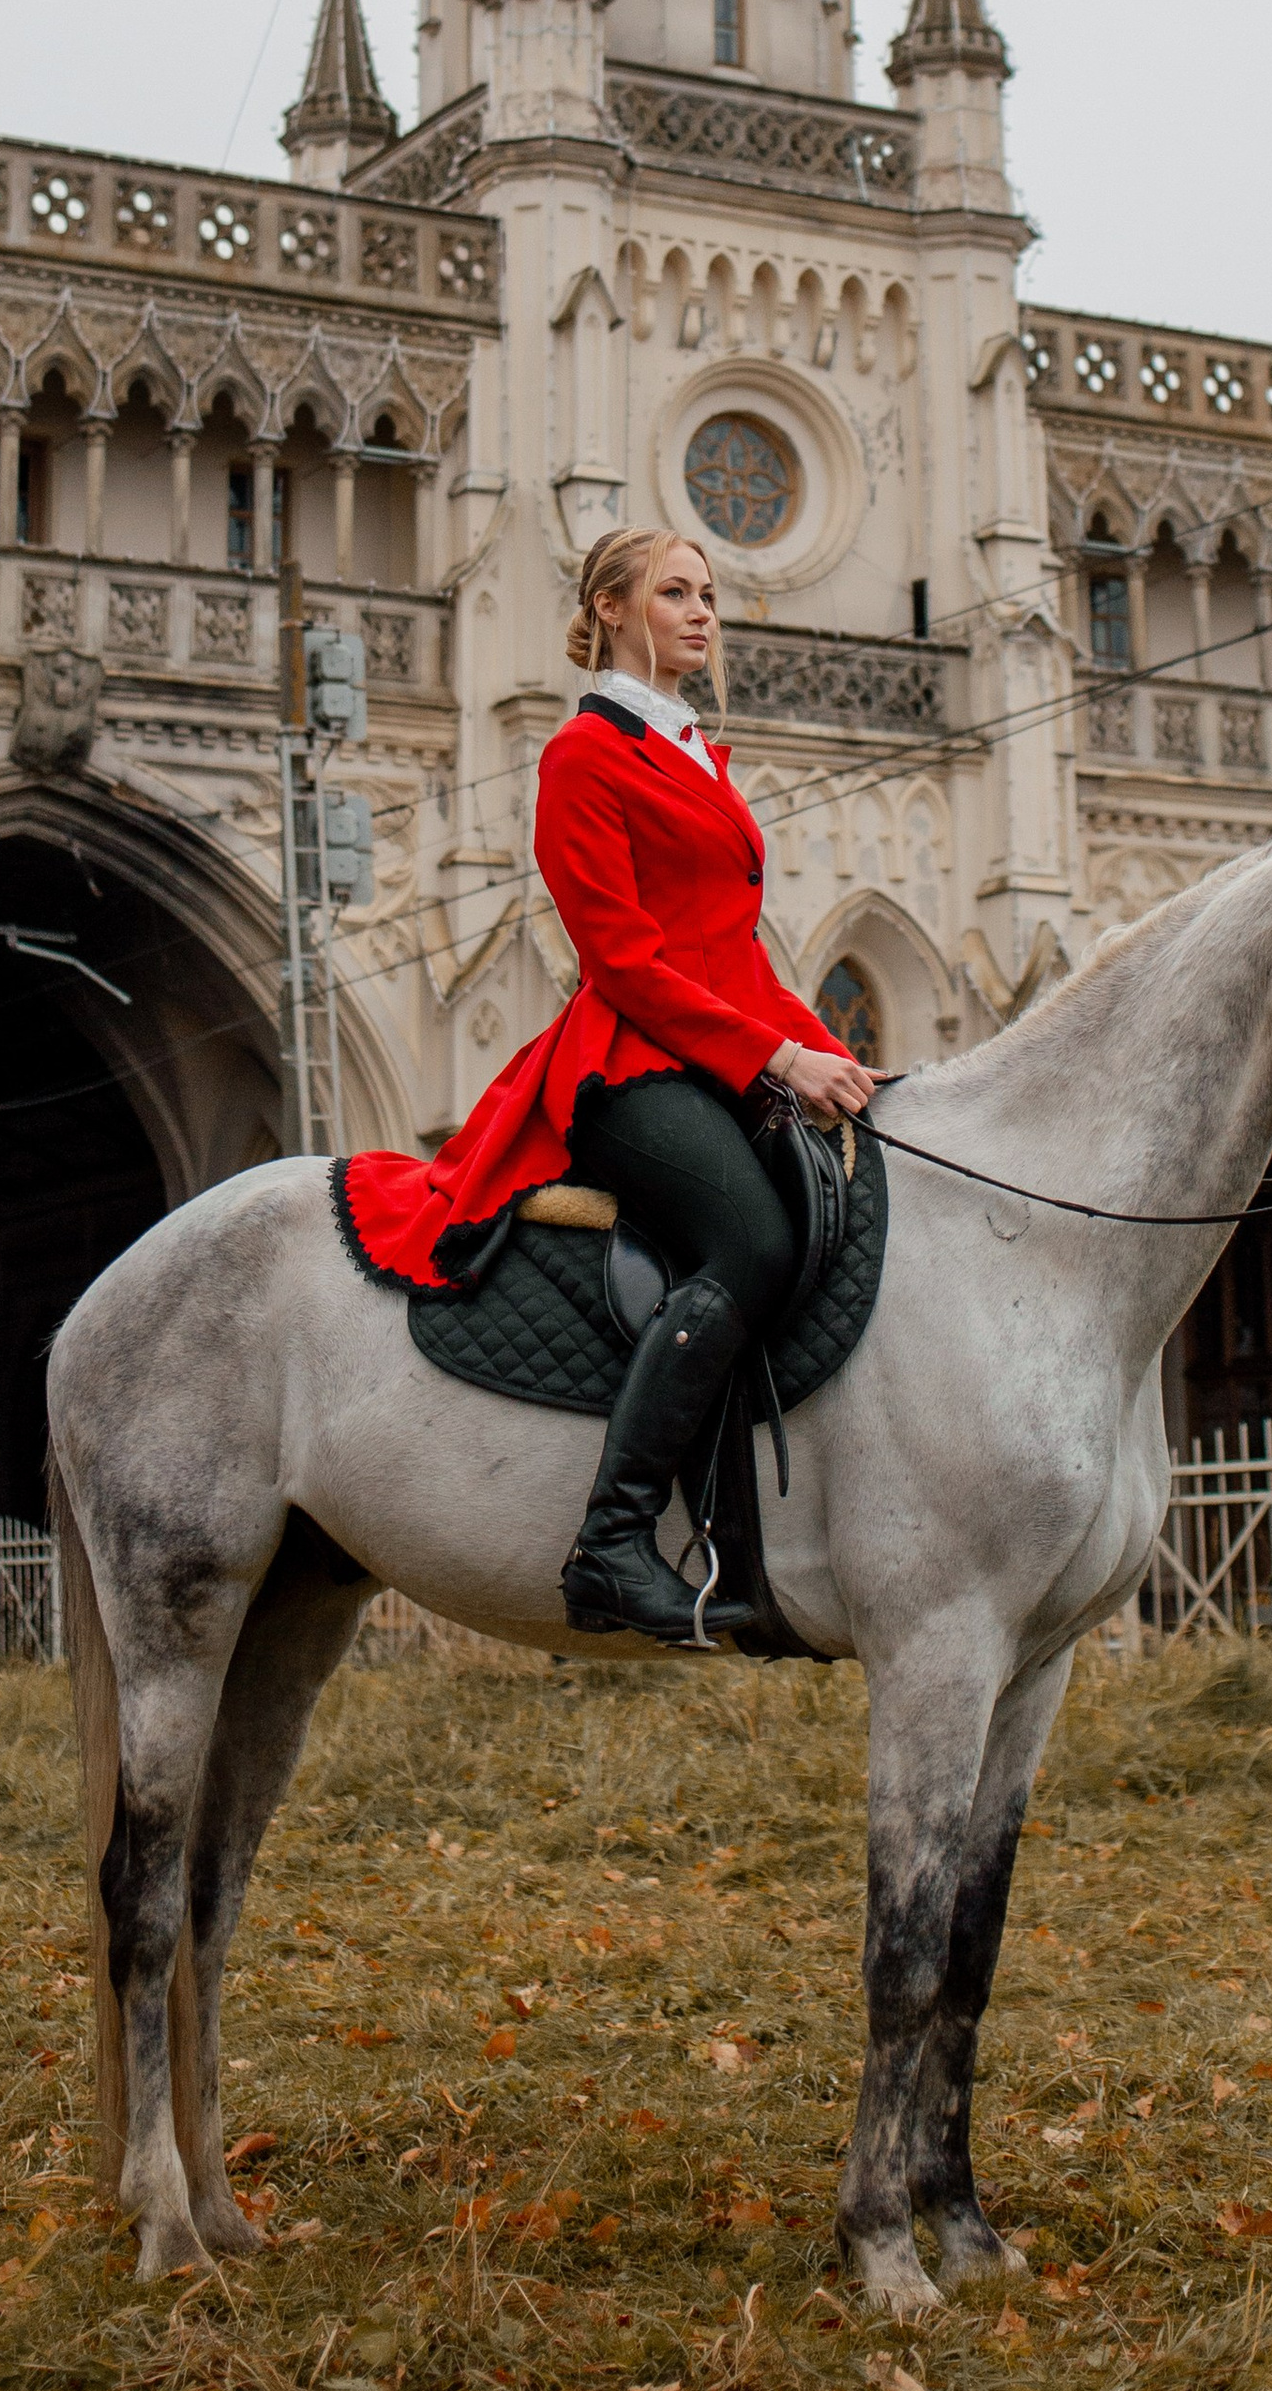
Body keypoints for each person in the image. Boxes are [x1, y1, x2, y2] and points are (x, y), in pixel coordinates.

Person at [334, 527, 874, 1644]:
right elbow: (625, 963)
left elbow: (737, 958)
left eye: (708, 594)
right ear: (613, 610)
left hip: (717, 1052)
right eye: (675, 592)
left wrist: (839, 1058)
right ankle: (612, 1543)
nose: (702, 611)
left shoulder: (698, 753)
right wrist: (778, 1060)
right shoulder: (582, 754)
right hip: (626, 1068)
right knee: (751, 1243)